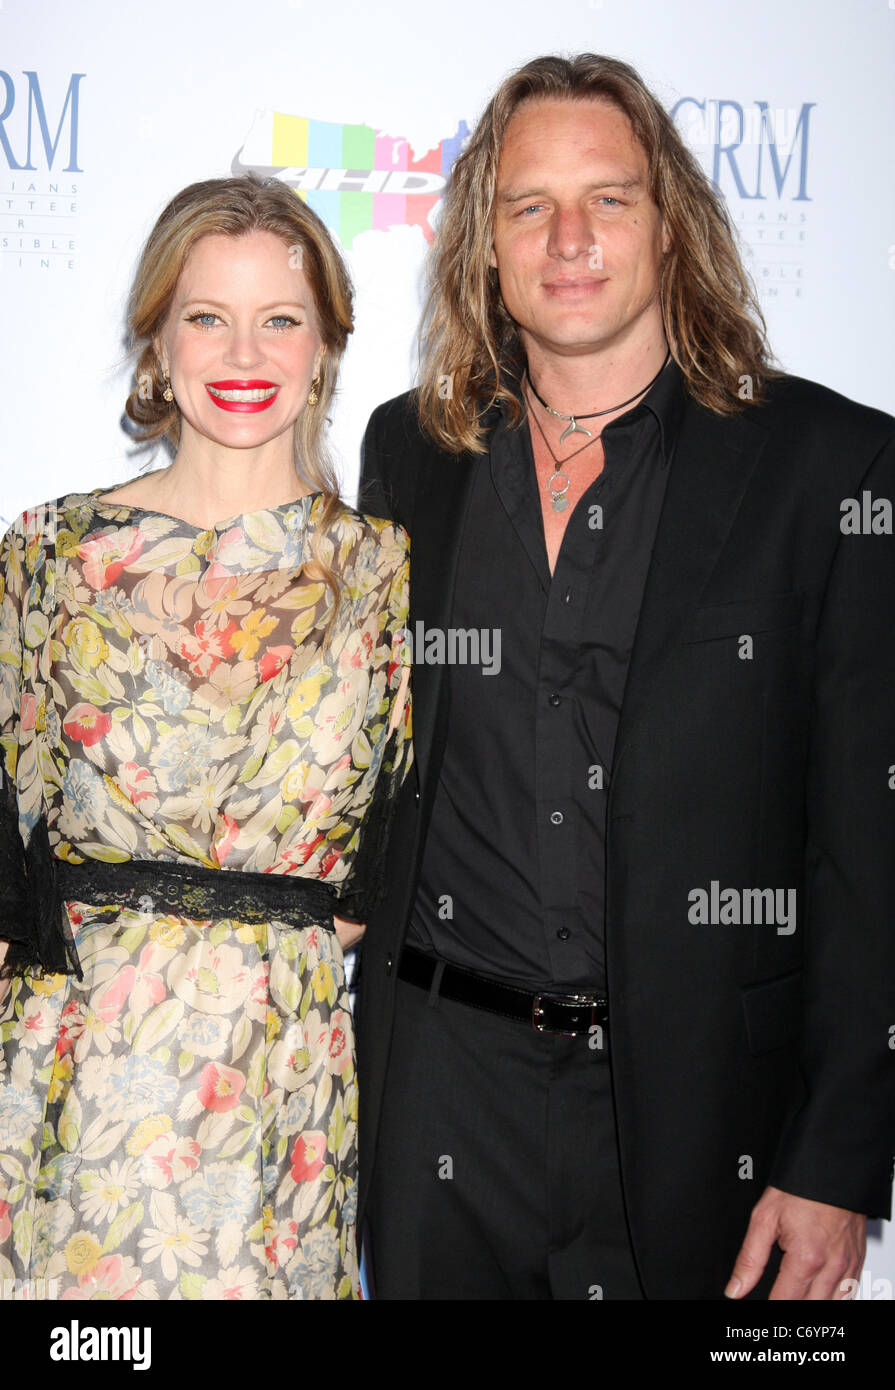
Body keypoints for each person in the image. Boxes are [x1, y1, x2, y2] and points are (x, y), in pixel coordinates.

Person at [356, 54, 895, 1300]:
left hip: (706, 1111)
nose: (571, 239)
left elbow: (869, 846)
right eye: (529, 206)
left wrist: (835, 1157)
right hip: (444, 1096)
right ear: (482, 243)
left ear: (672, 227)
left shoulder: (830, 466)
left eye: (609, 198)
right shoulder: (409, 453)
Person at [0, 174, 411, 1301]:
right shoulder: (47, 556)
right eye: (206, 316)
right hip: (70, 1078)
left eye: (280, 318)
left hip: (277, 1086)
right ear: (156, 342)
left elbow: (393, 849)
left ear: (326, 345)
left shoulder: (384, 573)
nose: (244, 351)